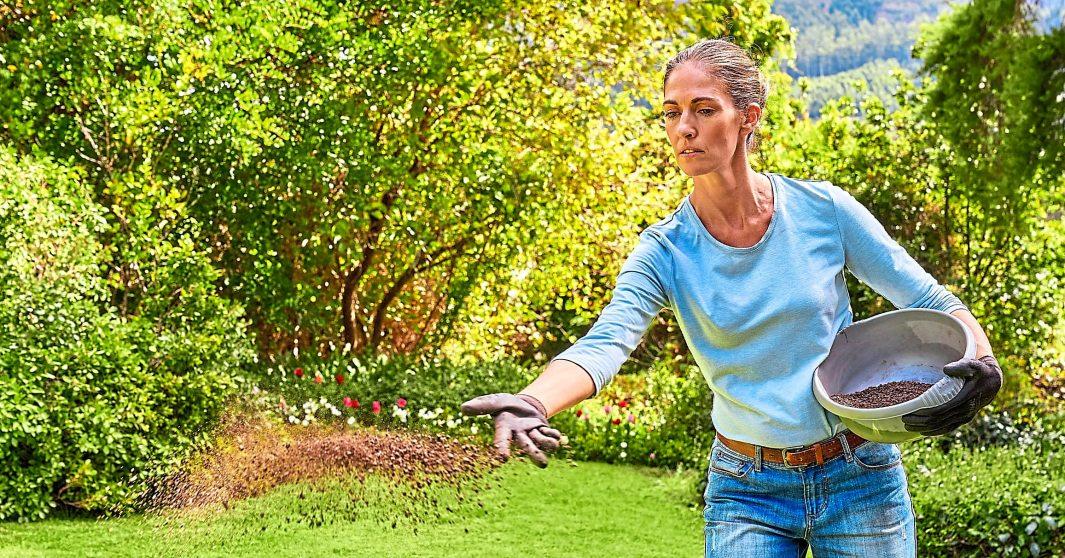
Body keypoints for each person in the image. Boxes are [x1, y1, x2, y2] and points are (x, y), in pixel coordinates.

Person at [460, 38, 1002, 557]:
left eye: (703, 109)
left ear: (748, 117)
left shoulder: (823, 212)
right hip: (747, 488)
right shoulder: (665, 251)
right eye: (671, 113)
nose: (684, 129)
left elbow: (930, 297)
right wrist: (532, 401)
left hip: (859, 473)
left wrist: (980, 357)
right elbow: (605, 344)